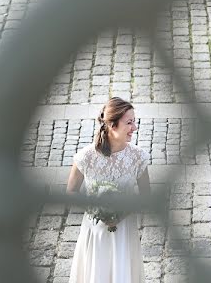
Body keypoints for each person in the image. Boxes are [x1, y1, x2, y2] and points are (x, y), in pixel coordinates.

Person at [67, 97, 150, 283]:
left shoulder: (138, 157)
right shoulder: (86, 157)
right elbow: (71, 192)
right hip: (95, 232)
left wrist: (122, 213)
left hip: (124, 232)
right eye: (129, 123)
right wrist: (96, 210)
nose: (134, 128)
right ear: (112, 125)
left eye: (134, 121)